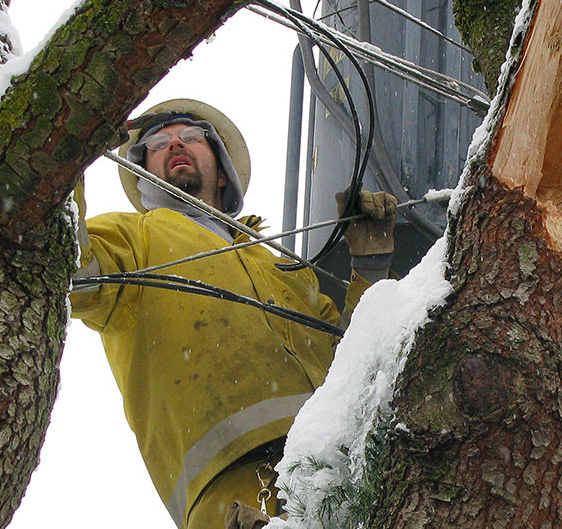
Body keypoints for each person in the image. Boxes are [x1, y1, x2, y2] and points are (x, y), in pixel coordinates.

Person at [71, 99, 395, 529]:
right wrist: (67, 158)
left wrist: (370, 266)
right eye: (157, 142)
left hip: (347, 464)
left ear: (221, 169)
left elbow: (351, 358)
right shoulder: (132, 238)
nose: (174, 144)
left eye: (191, 136)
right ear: (143, 172)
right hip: (232, 487)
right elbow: (67, 269)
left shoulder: (280, 263)